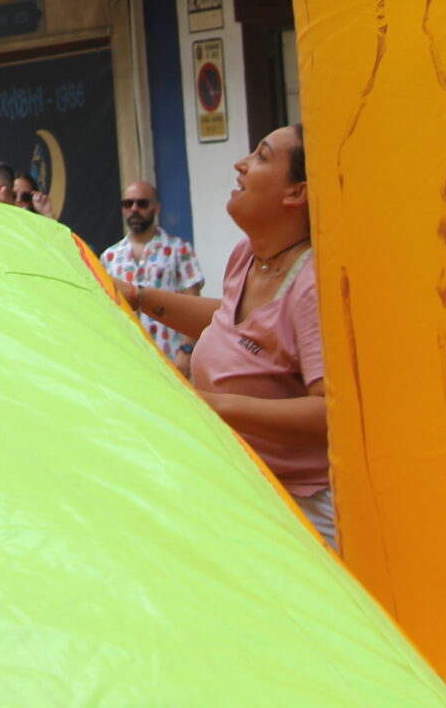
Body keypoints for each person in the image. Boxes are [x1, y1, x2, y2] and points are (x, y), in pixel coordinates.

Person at [120, 126, 333, 547]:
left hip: (302, 511)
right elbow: (227, 325)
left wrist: (211, 405)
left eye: (261, 156)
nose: (241, 164)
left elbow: (330, 414)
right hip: (247, 488)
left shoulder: (311, 283)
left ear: (296, 193)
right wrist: (138, 297)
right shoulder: (247, 256)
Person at [99, 179, 202, 365]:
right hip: (127, 360)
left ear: (157, 208)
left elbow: (193, 302)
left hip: (170, 355)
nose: (134, 209)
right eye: (128, 204)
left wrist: (187, 350)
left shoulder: (179, 249)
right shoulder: (109, 257)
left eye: (142, 203)